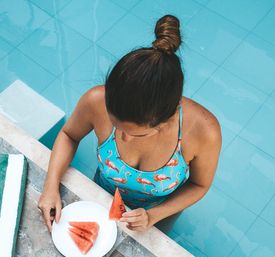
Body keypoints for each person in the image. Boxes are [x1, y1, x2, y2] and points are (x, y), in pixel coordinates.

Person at [38, 14, 221, 233]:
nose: (122, 138)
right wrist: (50, 187)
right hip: (103, 196)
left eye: (136, 134)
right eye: (116, 125)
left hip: (159, 212)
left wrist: (155, 215)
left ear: (168, 118)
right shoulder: (96, 100)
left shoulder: (204, 131)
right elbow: (69, 135)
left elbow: (200, 185)